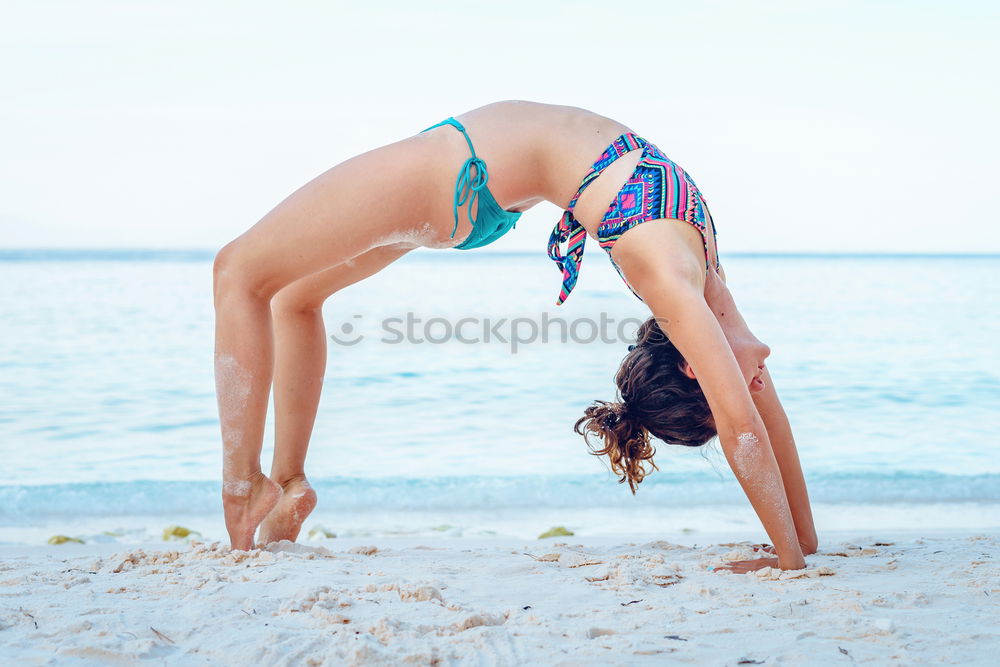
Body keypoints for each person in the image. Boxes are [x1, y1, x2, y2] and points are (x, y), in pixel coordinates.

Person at [213, 100, 817, 571]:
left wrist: (786, 564)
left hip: (454, 173)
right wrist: (804, 545)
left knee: (237, 272)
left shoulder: (672, 278)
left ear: (694, 366)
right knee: (295, 297)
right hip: (474, 185)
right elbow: (759, 419)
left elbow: (742, 428)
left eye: (738, 383)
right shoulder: (705, 273)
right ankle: (289, 485)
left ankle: (243, 487)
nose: (759, 385)